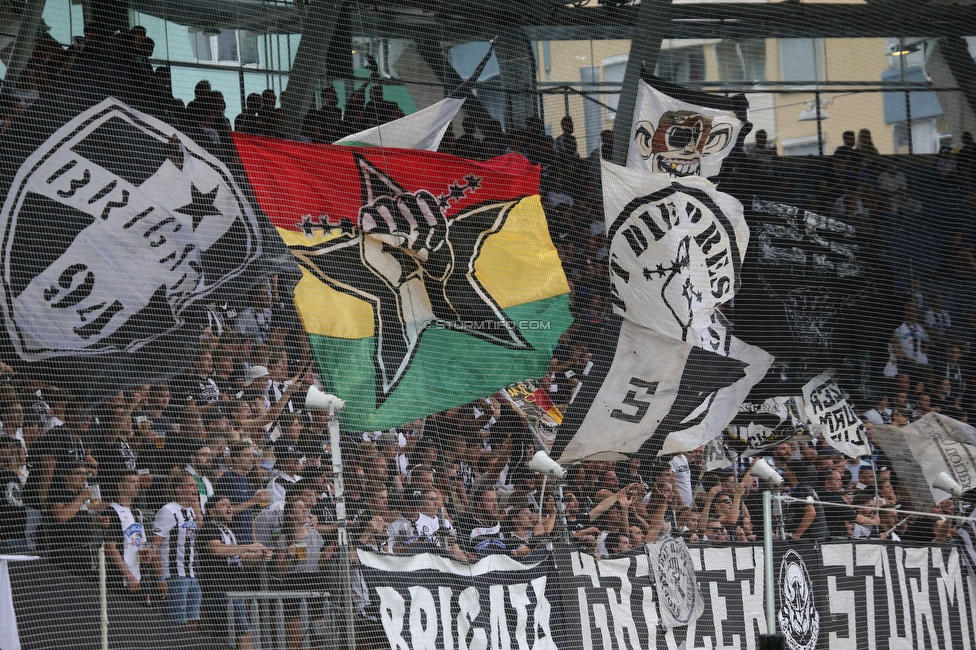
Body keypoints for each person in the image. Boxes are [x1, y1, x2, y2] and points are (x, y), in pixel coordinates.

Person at [198, 495, 273, 649]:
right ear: (212, 512)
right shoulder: (209, 527)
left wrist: (261, 556)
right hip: (220, 591)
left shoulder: (228, 531)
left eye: (230, 504)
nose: (229, 507)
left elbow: (242, 558)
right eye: (223, 504)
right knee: (244, 633)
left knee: (224, 638)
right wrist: (248, 547)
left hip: (235, 590)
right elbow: (216, 549)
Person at [274, 497, 326, 650]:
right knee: (295, 641)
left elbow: (320, 563)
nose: (305, 510)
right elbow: (279, 572)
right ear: (290, 513)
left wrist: (327, 555)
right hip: (293, 583)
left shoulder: (315, 535)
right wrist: (290, 557)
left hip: (314, 582)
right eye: (299, 507)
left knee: (318, 640)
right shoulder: (284, 539)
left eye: (305, 507)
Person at [152, 472, 202, 627]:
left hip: (191, 575)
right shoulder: (167, 511)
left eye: (196, 485)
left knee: (193, 623)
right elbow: (155, 545)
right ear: (179, 489)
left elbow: (197, 531)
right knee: (177, 624)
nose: (196, 489)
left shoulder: (191, 511)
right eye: (191, 485)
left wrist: (197, 506)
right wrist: (160, 578)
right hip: (174, 576)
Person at [214, 442, 269, 544]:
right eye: (247, 455)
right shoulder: (227, 478)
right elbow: (224, 512)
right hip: (233, 540)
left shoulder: (245, 479)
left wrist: (255, 542)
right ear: (236, 458)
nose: (252, 459)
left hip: (247, 540)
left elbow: (249, 516)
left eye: (253, 455)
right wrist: (252, 501)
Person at [105, 471, 147, 593]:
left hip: (139, 578)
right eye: (132, 482)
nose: (137, 485)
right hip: (120, 581)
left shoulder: (137, 512)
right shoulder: (112, 511)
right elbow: (110, 547)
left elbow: (142, 544)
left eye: (138, 481)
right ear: (120, 485)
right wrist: (128, 576)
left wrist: (147, 554)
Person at [783, 461, 828, 540]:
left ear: (793, 473)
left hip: (813, 539)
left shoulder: (801, 490)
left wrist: (796, 535)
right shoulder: (804, 487)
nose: (783, 473)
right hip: (818, 537)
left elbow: (810, 513)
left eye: (786, 470)